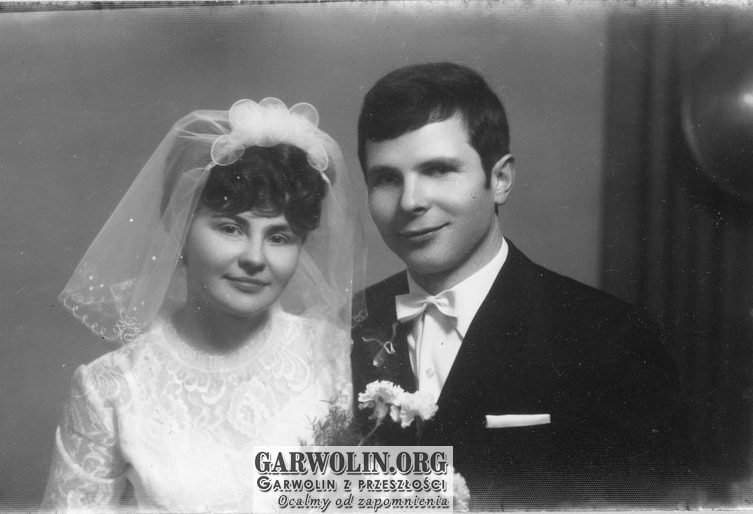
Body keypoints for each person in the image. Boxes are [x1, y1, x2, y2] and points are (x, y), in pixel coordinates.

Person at [351, 62, 687, 509]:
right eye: (386, 178)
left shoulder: (611, 337)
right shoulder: (342, 327)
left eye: (438, 170)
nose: (410, 201)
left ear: (500, 180)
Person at [42, 98, 360, 512]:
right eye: (230, 228)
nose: (255, 258)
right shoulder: (110, 387)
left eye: (279, 237)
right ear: (181, 229)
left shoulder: (338, 360)